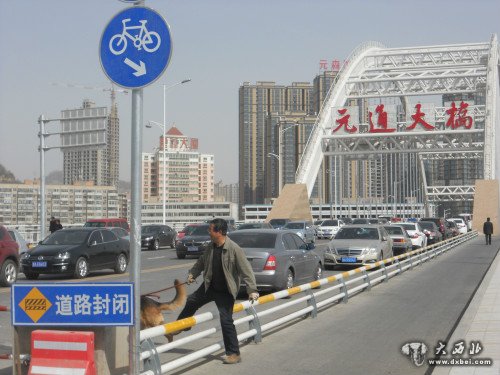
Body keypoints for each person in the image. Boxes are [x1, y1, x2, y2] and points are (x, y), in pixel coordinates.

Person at [176, 218, 259, 364]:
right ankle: (182, 325)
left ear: (219, 232)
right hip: (210, 286)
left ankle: (234, 353)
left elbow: (246, 270)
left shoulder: (234, 249)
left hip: (226, 290)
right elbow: (201, 262)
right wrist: (192, 275)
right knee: (191, 301)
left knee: (226, 320)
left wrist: (252, 290)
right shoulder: (211, 247)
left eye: (210, 229)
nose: (208, 232)